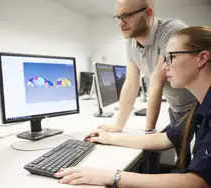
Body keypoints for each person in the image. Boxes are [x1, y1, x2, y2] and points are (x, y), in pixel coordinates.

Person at [55, 26, 211, 187]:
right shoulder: (200, 106)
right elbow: (166, 138)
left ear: (202, 58)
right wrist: (111, 138)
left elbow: (198, 182)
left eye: (170, 57)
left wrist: (112, 176)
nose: (164, 67)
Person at [97, 0, 196, 134]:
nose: (121, 23)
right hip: (176, 109)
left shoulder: (172, 30)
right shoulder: (131, 42)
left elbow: (156, 81)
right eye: (118, 17)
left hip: (199, 106)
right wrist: (118, 126)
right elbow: (131, 83)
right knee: (182, 154)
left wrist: (149, 131)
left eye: (127, 16)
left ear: (148, 13)